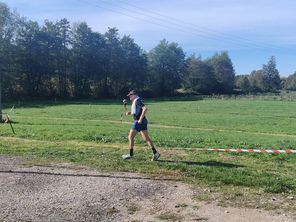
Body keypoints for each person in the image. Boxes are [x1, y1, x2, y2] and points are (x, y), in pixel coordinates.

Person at [122, 90, 160, 161]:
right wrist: (130, 113)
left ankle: (130, 155)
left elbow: (145, 109)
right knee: (146, 138)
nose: (129, 96)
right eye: (129, 95)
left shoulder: (137, 101)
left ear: (134, 95)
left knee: (130, 137)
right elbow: (137, 111)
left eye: (130, 95)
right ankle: (155, 153)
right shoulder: (137, 101)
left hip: (139, 122)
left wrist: (140, 119)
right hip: (143, 121)